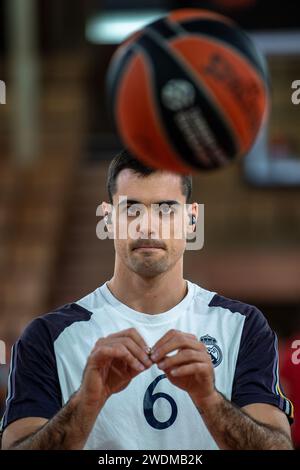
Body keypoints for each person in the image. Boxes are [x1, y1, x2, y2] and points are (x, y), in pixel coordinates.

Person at [0, 150, 294, 450]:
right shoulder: (47, 336)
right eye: (131, 209)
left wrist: (209, 400)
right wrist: (86, 404)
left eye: (166, 209)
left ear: (192, 219)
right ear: (108, 219)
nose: (148, 226)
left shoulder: (242, 327)